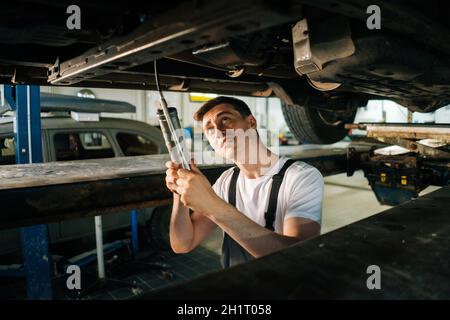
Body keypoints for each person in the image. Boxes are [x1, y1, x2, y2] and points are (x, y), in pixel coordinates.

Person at [165, 96, 324, 268]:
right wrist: (179, 191)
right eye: (209, 129)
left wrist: (213, 206)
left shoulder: (301, 176)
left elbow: (299, 258)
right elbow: (182, 244)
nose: (218, 131)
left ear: (251, 123)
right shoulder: (227, 181)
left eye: (225, 119)